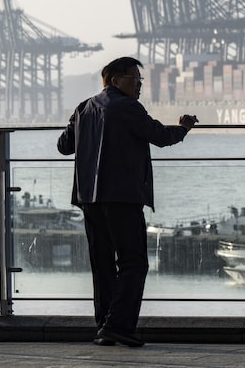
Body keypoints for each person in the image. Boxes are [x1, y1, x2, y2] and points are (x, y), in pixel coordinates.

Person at [57, 56, 198, 347]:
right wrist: (183, 128)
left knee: (103, 264)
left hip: (89, 199)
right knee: (134, 263)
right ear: (114, 79)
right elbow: (159, 136)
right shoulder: (127, 107)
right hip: (122, 197)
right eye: (136, 80)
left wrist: (76, 123)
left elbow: (64, 146)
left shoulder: (84, 107)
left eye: (140, 81)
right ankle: (119, 326)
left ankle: (104, 326)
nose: (139, 86)